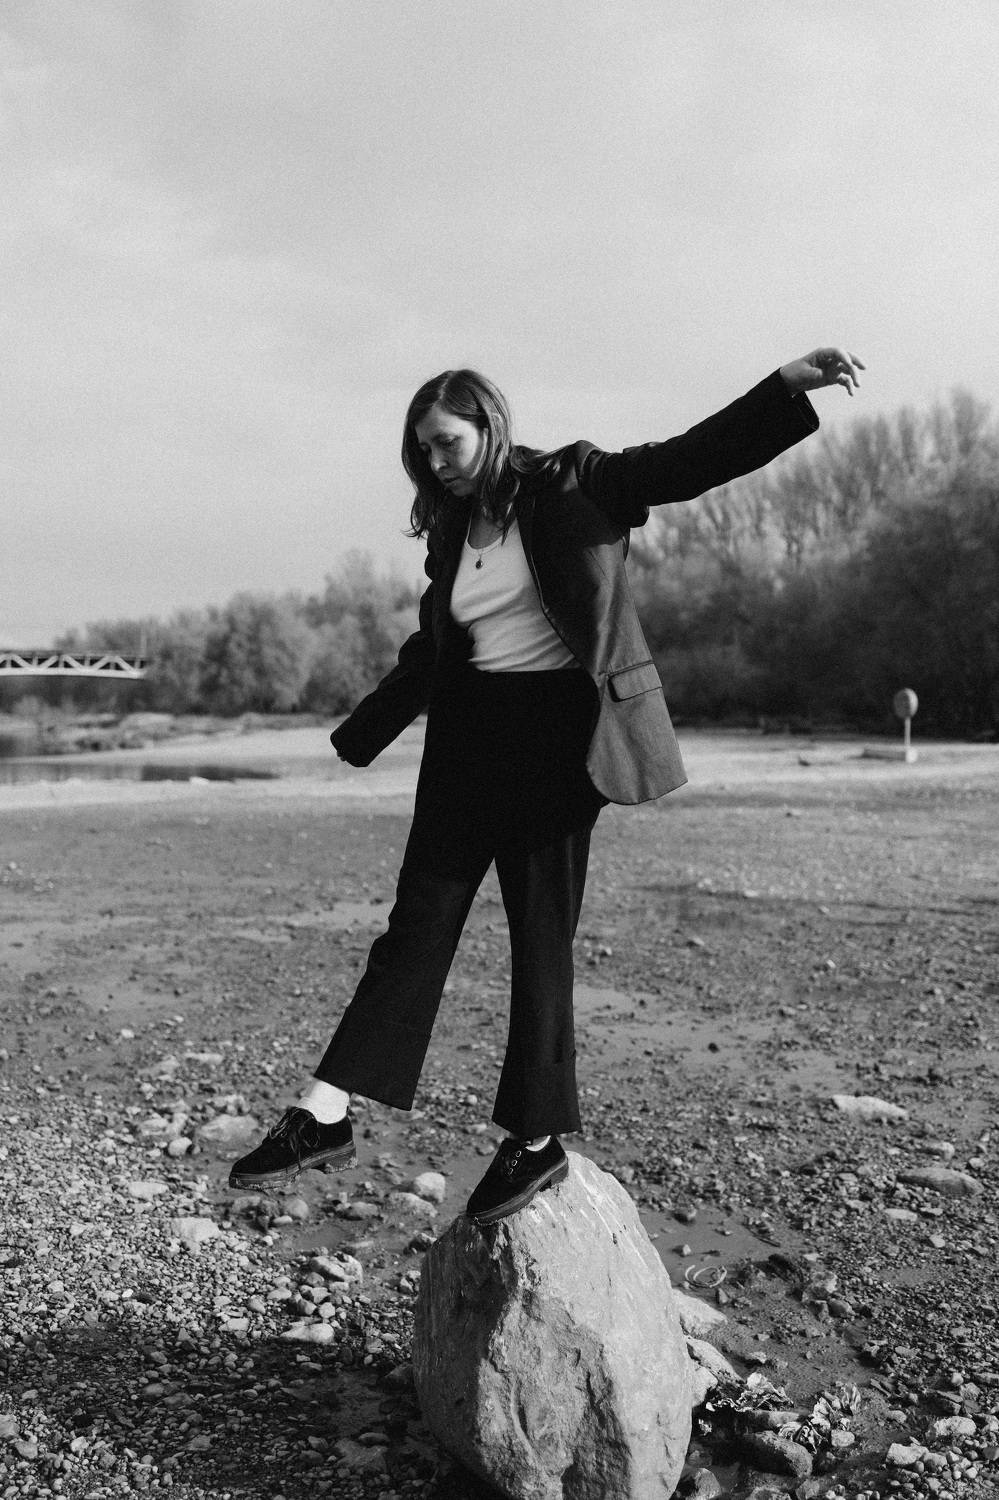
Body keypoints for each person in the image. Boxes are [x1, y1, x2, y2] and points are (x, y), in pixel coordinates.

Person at [229, 346, 864, 1224]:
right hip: (466, 743)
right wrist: (362, 731)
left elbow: (687, 461)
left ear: (489, 426)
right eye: (423, 451)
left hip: (557, 746)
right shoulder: (453, 529)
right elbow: (435, 646)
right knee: (414, 928)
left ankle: (535, 1139)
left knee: (539, 941)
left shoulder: (575, 481)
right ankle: (324, 1112)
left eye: (447, 443)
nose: (435, 463)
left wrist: (782, 390)